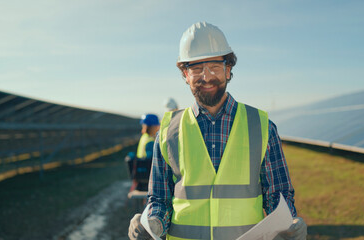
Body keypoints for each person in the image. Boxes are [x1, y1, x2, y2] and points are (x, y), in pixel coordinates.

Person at [128, 22, 307, 240]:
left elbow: (278, 197)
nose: (206, 77)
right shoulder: (167, 132)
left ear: (228, 69)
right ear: (185, 74)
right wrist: (153, 222)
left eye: (214, 66)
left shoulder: (262, 127)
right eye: (195, 68)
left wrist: (290, 222)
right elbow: (159, 199)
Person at [127, 113, 160, 198]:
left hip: (141, 173)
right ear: (153, 127)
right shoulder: (150, 141)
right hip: (147, 176)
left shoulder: (144, 137)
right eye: (157, 126)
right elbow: (153, 160)